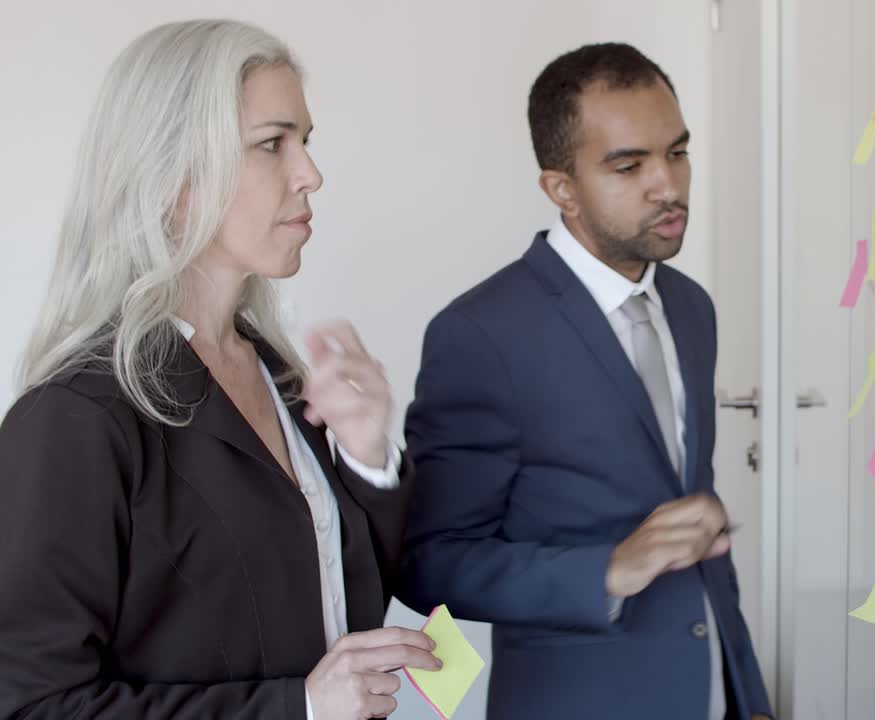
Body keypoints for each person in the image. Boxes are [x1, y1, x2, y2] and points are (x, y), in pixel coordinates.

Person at [0, 20, 438, 719]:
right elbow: (30, 705)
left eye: (306, 140)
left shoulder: (284, 380)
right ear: (173, 176)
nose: (311, 174)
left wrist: (368, 461)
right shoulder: (74, 418)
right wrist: (300, 708)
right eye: (273, 143)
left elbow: (333, 597)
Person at [399, 43, 772, 720]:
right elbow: (431, 565)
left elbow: (685, 504)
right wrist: (606, 570)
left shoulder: (692, 308)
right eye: (629, 165)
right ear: (561, 188)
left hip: (715, 686)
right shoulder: (480, 335)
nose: (668, 185)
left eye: (678, 152)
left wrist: (745, 688)